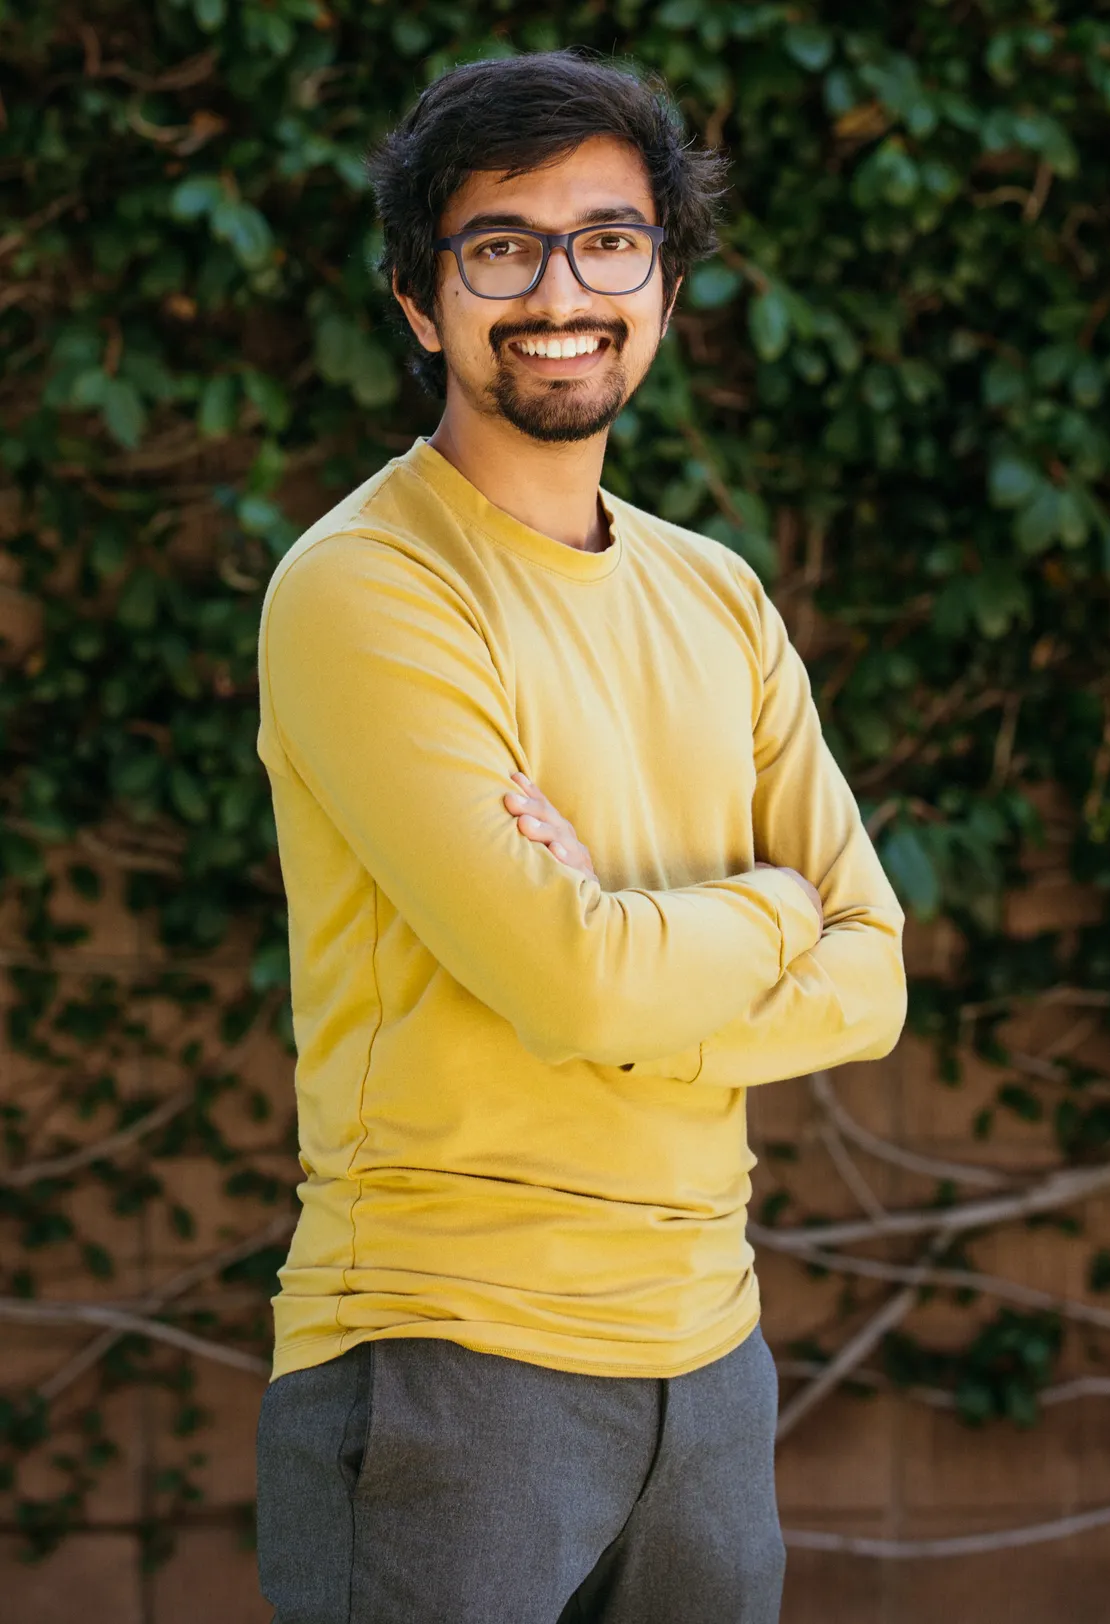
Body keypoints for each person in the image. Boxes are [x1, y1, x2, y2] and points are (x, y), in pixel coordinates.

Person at [253, 46, 906, 1624]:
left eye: (610, 239)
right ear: (422, 301)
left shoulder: (717, 597)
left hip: (713, 1361)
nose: (564, 289)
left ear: (664, 282)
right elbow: (580, 984)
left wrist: (623, 960)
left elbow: (875, 977)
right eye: (501, 246)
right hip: (444, 1361)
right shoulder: (366, 589)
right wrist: (762, 912)